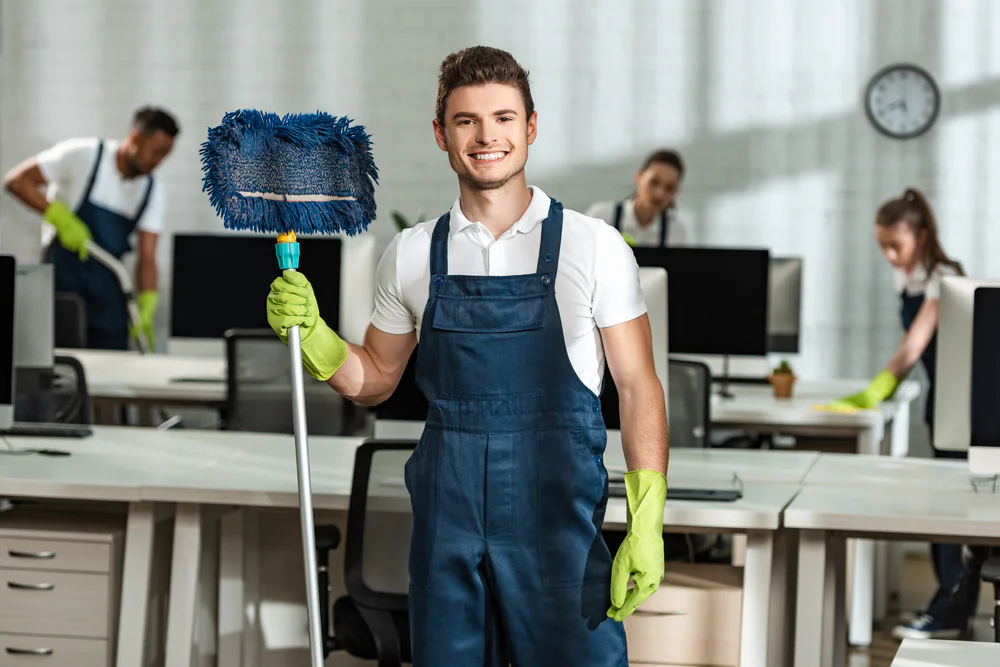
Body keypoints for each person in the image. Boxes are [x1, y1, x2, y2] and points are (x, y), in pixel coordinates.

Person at [266, 46, 669, 665]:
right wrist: (315, 335)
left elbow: (639, 386)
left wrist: (648, 520)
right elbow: (374, 379)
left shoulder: (594, 247)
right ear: (441, 134)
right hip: (446, 524)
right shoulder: (410, 254)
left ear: (530, 128)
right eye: (466, 121)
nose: (487, 137)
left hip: (556, 528)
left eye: (504, 118)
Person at [828, 187, 978, 640]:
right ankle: (949, 607)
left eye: (897, 245)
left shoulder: (942, 278)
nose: (890, 255)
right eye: (883, 246)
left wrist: (875, 391)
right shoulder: (911, 276)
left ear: (922, 235)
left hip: (964, 407)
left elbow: (913, 346)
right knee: (946, 509)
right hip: (944, 400)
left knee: (954, 513)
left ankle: (950, 611)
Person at [2, 107, 179, 350]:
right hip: (64, 287)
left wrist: (148, 300)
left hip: (109, 296)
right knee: (62, 365)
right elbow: (16, 181)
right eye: (156, 152)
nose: (157, 162)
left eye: (164, 157)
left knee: (112, 371)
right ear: (135, 138)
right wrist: (60, 217)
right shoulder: (83, 155)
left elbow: (147, 256)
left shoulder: (152, 190)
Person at [586, 149, 687, 246]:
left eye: (669, 188)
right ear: (639, 177)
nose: (659, 194)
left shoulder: (675, 231)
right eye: (654, 182)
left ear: (676, 192)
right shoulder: (601, 217)